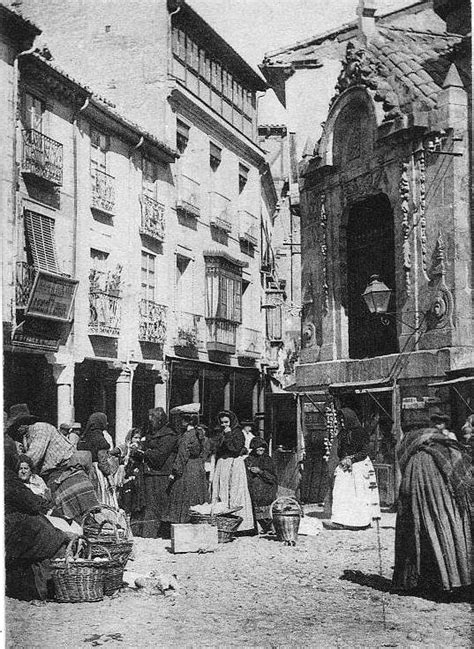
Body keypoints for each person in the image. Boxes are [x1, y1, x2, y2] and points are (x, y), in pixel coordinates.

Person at [392, 424, 472, 596]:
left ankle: (432, 580)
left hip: (422, 495)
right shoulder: (444, 446)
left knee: (424, 532)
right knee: (448, 532)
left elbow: (406, 490)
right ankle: (459, 578)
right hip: (448, 502)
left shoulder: (414, 452)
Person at [6, 408, 100, 524]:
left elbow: (33, 456)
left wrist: (14, 468)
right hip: (54, 472)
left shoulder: (40, 429)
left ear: (23, 423)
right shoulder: (26, 436)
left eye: (17, 426)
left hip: (64, 468)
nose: (17, 429)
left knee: (66, 508)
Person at [4, 445, 70, 600]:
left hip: (11, 524)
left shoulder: (10, 478)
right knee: (51, 536)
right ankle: (47, 585)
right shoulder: (9, 479)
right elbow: (31, 503)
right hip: (12, 527)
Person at [323, 408, 380, 531]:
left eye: (344, 419)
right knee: (340, 492)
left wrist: (352, 459)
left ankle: (361, 522)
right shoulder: (342, 434)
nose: (342, 422)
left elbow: (365, 452)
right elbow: (339, 451)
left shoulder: (361, 433)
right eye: (340, 420)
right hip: (345, 465)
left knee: (359, 493)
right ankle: (340, 521)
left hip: (359, 465)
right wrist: (343, 460)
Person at [134, 407, 181, 538]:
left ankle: (160, 532)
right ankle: (149, 532)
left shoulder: (169, 435)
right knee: (150, 504)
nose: (150, 422)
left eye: (152, 420)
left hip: (161, 474)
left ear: (159, 421)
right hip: (150, 473)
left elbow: (160, 456)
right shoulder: (152, 434)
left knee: (160, 504)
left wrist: (144, 452)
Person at [162, 404, 209, 525]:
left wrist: (175, 472)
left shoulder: (187, 436)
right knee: (197, 495)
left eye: (182, 419)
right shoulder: (200, 434)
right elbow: (205, 452)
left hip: (187, 469)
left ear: (186, 420)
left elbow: (182, 456)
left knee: (184, 496)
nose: (179, 421)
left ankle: (184, 522)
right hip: (198, 468)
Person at [211, 410, 254, 532]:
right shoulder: (220, 433)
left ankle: (239, 525)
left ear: (232, 421)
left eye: (226, 422)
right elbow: (216, 447)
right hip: (223, 464)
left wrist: (229, 435)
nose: (224, 425)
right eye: (222, 422)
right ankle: (222, 523)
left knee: (235, 491)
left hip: (234, 464)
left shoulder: (238, 433)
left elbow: (235, 449)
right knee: (221, 490)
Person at [78, 412, 120, 508]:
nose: (107, 423)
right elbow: (103, 463)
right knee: (102, 500)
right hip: (97, 473)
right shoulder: (100, 439)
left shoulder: (83, 438)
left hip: (84, 472)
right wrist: (109, 476)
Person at [245, 437, 277, 534]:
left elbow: (273, 478)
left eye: (263, 447)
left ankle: (271, 526)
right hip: (253, 490)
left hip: (266, 489)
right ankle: (262, 527)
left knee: (267, 509)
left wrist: (260, 472)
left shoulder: (268, 460)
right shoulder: (248, 459)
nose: (261, 449)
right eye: (258, 447)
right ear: (253, 447)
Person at [118, 428, 146, 527]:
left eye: (139, 438)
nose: (137, 440)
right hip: (128, 477)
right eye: (135, 437)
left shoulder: (141, 448)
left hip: (138, 477)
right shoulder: (126, 448)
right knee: (127, 499)